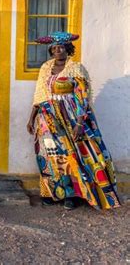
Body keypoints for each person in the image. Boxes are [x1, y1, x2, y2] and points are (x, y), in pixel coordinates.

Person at [27, 31, 121, 210]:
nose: (58, 51)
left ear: (68, 49)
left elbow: (82, 97)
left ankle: (73, 195)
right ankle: (55, 193)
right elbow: (39, 94)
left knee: (73, 156)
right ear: (51, 50)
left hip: (72, 117)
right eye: (54, 48)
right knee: (51, 155)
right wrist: (31, 118)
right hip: (49, 118)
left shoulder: (76, 68)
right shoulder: (46, 68)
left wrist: (79, 123)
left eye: (61, 47)